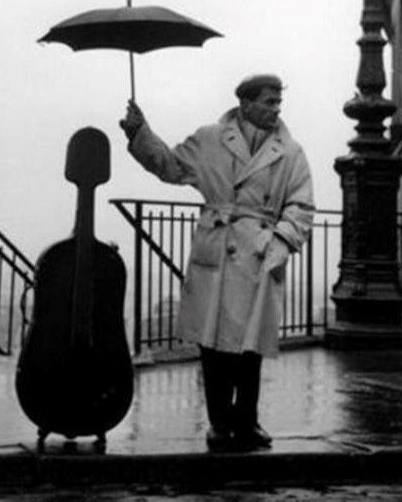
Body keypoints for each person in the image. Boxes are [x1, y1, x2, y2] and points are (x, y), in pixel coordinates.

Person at [119, 73, 313, 451]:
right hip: (218, 250)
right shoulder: (210, 139)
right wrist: (139, 132)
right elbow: (170, 166)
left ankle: (247, 421)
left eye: (278, 102)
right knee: (212, 345)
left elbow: (301, 204)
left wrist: (281, 239)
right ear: (245, 103)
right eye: (269, 101)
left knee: (250, 346)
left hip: (259, 252)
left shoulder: (291, 152)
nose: (276, 108)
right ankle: (219, 422)